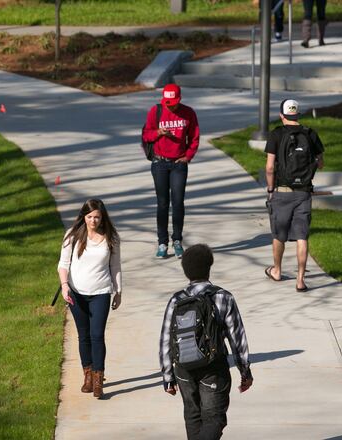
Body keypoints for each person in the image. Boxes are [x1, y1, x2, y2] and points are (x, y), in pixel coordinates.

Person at [159, 244, 253, 440]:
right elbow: (237, 337)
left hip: (183, 368)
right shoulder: (223, 297)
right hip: (213, 367)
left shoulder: (176, 300)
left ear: (185, 271)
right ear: (210, 266)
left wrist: (168, 376)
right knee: (214, 418)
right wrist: (244, 371)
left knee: (193, 415)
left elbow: (166, 340)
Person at [57, 199, 122, 399]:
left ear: (102, 218)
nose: (93, 221)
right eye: (89, 217)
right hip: (76, 293)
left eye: (97, 217)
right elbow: (63, 264)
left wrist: (118, 291)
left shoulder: (111, 237)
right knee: (83, 336)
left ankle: (97, 379)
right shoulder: (72, 235)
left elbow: (115, 266)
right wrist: (65, 285)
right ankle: (87, 375)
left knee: (97, 335)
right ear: (83, 217)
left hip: (101, 292)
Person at [264, 99, 325, 292]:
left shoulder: (276, 134)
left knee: (278, 235)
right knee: (302, 236)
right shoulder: (310, 134)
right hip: (304, 193)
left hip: (282, 192)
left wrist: (271, 188)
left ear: (282, 115)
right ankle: (300, 280)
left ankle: (277, 271)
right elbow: (320, 163)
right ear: (297, 114)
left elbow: (270, 167)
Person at [141, 83, 200, 259]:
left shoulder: (188, 113)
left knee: (178, 202)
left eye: (173, 102)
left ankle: (177, 241)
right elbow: (146, 135)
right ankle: (162, 242)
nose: (170, 105)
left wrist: (187, 156)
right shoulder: (155, 111)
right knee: (162, 203)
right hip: (160, 163)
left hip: (178, 164)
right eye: (167, 102)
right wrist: (158, 132)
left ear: (179, 99)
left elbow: (195, 137)